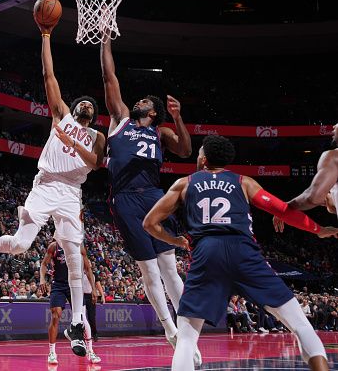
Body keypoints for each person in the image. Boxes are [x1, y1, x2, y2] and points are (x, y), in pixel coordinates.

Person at [143, 135, 337, 371]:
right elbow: (284, 210)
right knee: (300, 324)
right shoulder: (244, 182)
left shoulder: (184, 184)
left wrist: (175, 240)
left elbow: (149, 223)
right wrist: (318, 229)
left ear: (203, 159)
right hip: (243, 251)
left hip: (206, 253)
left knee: (186, 337)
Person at [0, 17, 106, 358]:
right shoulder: (60, 115)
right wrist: (46, 35)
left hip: (71, 194)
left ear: (94, 116)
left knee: (76, 260)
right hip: (46, 184)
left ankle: (77, 325)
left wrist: (70, 142)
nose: (86, 106)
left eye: (92, 106)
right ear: (72, 107)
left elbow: (94, 163)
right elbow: (49, 76)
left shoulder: (98, 137)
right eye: (83, 103)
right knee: (20, 246)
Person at [99, 30, 199, 364]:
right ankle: (169, 329)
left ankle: (186, 335)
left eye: (144, 101)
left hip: (155, 195)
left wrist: (179, 116)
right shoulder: (120, 120)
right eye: (138, 100)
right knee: (149, 271)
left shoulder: (160, 132)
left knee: (170, 269)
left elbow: (185, 150)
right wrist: (105, 41)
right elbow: (109, 76)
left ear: (153, 111)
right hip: (125, 197)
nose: (138, 101)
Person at [40, 241, 100, 364]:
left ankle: (90, 350)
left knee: (82, 317)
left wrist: (93, 289)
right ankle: (52, 352)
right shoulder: (54, 246)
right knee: (56, 315)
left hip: (75, 285)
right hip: (58, 285)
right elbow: (44, 264)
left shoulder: (78, 246)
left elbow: (88, 269)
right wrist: (42, 279)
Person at [274, 123, 338, 232]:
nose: (334, 126)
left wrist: (285, 207)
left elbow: (313, 197)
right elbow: (332, 205)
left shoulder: (333, 157)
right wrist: (329, 198)